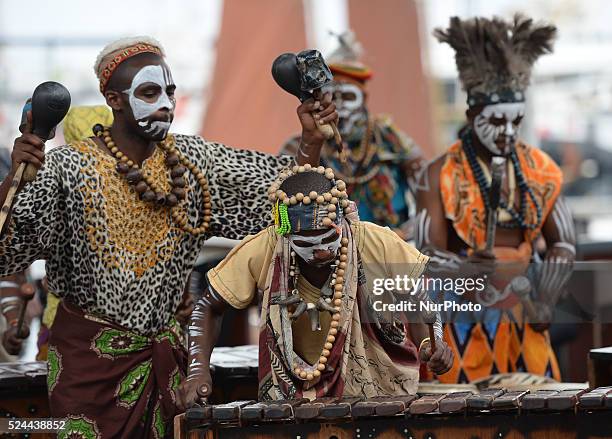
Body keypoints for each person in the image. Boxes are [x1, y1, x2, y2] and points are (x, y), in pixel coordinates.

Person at [0, 36, 337, 438]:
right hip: (87, 369)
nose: (166, 102)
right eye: (149, 91)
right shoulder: (68, 167)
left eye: (171, 91)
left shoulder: (195, 164)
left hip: (169, 368)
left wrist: (310, 146)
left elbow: (281, 213)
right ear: (114, 99)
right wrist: (14, 181)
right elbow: (7, 254)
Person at [182, 166, 453, 404]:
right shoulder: (265, 248)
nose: (321, 252)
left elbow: (418, 300)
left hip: (382, 393)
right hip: (291, 400)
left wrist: (431, 341)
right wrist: (197, 369)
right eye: (307, 243)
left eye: (328, 238)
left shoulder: (376, 241)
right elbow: (208, 306)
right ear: (284, 232)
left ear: (343, 219)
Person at [415, 15, 575, 384]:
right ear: (472, 115)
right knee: (463, 413)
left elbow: (562, 242)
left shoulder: (540, 170)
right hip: (462, 313)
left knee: (540, 408)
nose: (507, 133)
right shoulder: (437, 173)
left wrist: (547, 296)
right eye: (496, 121)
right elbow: (423, 252)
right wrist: (464, 268)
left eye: (516, 122)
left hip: (527, 309)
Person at [280, 31, 424, 241]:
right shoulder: (300, 145)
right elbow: (282, 213)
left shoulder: (391, 139)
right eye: (333, 97)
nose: (341, 107)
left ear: (364, 99)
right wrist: (311, 144)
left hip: (393, 250)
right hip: (330, 252)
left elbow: (429, 196)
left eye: (348, 96)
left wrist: (403, 236)